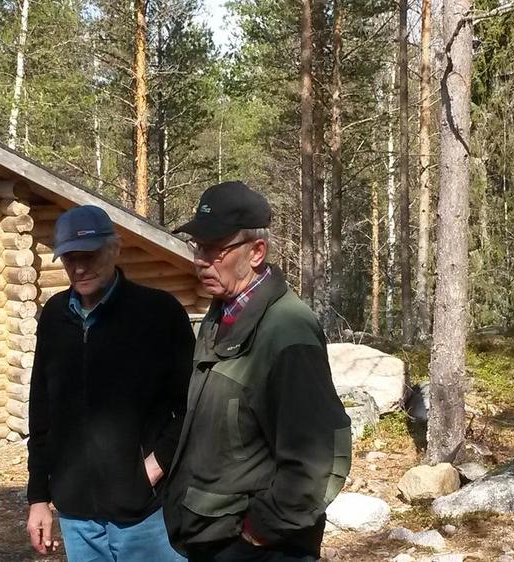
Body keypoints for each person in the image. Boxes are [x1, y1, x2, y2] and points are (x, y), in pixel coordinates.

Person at [164, 181, 351, 562]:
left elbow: (318, 457)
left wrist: (259, 531)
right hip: (213, 537)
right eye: (198, 246)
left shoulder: (288, 330)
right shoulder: (221, 313)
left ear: (256, 252)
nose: (201, 260)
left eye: (215, 249)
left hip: (260, 547)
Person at [26, 205, 195, 561]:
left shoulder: (158, 314)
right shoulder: (54, 317)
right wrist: (39, 496)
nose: (79, 267)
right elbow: (41, 412)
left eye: (89, 255)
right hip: (77, 516)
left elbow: (192, 404)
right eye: (69, 258)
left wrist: (154, 468)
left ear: (114, 249)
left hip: (145, 514)